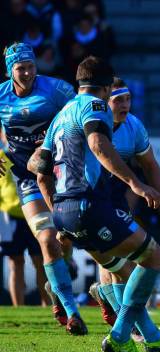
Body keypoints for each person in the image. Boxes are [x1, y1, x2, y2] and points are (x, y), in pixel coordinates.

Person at [30, 56, 160, 352]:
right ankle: (119, 335)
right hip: (89, 204)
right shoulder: (95, 107)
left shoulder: (62, 114)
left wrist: (57, 210)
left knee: (119, 268)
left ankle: (151, 334)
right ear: (105, 88)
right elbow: (99, 146)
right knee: (153, 257)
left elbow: (39, 169)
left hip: (64, 210)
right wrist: (136, 184)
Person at [0, 43, 86, 334]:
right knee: (47, 239)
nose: (27, 72)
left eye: (30, 66)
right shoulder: (1, 96)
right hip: (27, 179)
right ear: (10, 70)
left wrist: (55, 142)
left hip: (61, 174)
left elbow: (80, 116)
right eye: (20, 68)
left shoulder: (56, 90)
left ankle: (60, 278)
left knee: (64, 237)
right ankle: (72, 312)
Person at [87, 77, 160, 328]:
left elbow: (150, 165)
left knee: (120, 260)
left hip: (115, 197)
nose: (125, 105)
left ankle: (117, 314)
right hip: (89, 198)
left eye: (128, 99)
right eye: (118, 100)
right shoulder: (91, 125)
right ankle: (130, 328)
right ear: (105, 102)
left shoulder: (134, 126)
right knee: (121, 262)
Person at [0, 149, 46, 306]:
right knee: (15, 262)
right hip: (8, 214)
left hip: (35, 210)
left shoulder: (30, 152)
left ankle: (49, 306)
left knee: (41, 261)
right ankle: (18, 307)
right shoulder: (2, 156)